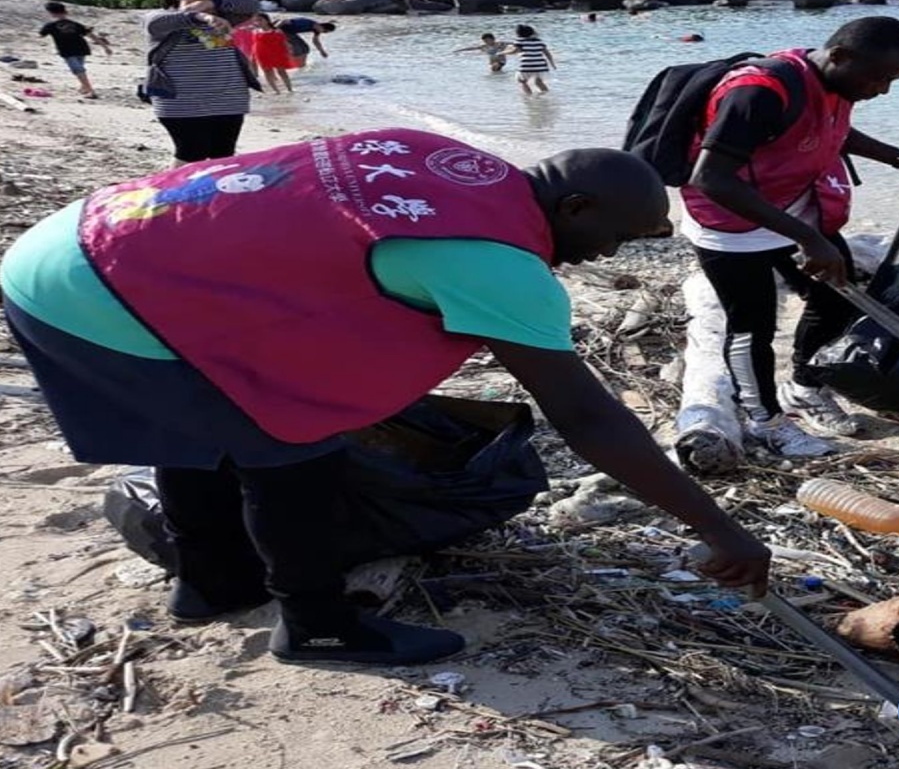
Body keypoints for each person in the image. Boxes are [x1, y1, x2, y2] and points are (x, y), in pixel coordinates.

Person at [0, 128, 771, 666]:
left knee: (205, 417)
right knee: (288, 436)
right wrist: (719, 528)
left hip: (90, 236)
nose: (611, 254)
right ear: (575, 209)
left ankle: (212, 583)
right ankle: (319, 628)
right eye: (621, 237)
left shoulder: (441, 157)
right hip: (99, 287)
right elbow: (588, 417)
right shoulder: (499, 266)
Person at [681, 16, 899, 457]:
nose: (882, 90)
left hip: (791, 205)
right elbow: (711, 177)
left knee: (838, 297)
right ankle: (765, 422)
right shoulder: (758, 91)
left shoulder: (830, 83)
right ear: (841, 56)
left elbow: (832, 129)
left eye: (893, 81)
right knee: (751, 328)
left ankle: (804, 387)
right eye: (879, 77)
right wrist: (808, 240)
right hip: (729, 222)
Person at [143, 0, 262, 166]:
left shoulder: (225, 18)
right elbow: (154, 24)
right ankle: (173, 193)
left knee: (223, 153)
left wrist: (212, 4)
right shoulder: (159, 19)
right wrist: (200, 14)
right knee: (190, 153)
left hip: (229, 99)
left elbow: (251, 5)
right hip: (182, 102)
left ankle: (218, 194)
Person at [38, 1, 111, 99]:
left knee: (77, 70)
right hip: (82, 48)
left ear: (51, 13)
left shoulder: (50, 25)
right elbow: (91, 35)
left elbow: (41, 35)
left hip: (67, 50)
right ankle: (84, 87)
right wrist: (105, 47)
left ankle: (91, 91)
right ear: (65, 11)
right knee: (80, 68)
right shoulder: (75, 24)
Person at [505, 24, 555, 95]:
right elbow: (547, 53)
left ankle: (529, 96)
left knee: (522, 81)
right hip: (541, 65)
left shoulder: (520, 41)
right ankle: (545, 95)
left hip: (527, 64)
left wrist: (503, 53)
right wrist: (552, 63)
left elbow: (515, 51)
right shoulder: (539, 41)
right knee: (538, 82)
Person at [250, 15, 293, 93]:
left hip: (276, 53)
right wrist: (252, 56)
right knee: (267, 71)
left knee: (281, 71)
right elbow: (254, 44)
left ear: (267, 20)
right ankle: (276, 91)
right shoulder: (255, 31)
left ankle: (290, 89)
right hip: (261, 54)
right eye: (256, 21)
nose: (258, 22)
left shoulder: (277, 31)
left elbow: (285, 42)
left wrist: (289, 52)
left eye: (260, 20)